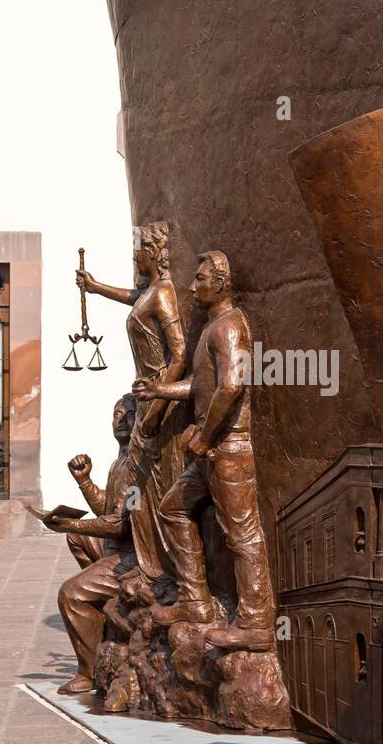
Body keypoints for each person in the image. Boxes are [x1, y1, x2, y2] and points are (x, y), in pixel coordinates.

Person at [135, 251, 275, 652]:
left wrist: (206, 436)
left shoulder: (229, 328)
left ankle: (256, 623)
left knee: (243, 533)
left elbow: (231, 386)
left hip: (228, 448)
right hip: (211, 451)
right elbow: (201, 384)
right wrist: (161, 389)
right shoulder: (212, 328)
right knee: (173, 508)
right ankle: (195, 601)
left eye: (199, 279)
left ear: (220, 284)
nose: (192, 286)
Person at [76, 221, 186, 597]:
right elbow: (133, 296)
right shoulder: (150, 292)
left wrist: (159, 400)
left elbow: (180, 352)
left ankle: (160, 571)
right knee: (138, 489)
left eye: (138, 250)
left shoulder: (165, 294)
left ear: (153, 252)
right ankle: (147, 564)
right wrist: (94, 287)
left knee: (152, 486)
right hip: (145, 397)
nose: (135, 256)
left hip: (157, 399)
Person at [48, 393, 138, 694]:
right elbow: (108, 509)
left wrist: (73, 521)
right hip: (117, 548)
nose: (121, 419)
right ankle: (101, 606)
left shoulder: (139, 463)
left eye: (129, 414)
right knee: (77, 536)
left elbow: (121, 524)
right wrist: (85, 482)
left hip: (134, 556)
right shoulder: (120, 460)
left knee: (70, 594)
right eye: (116, 414)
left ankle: (89, 673)